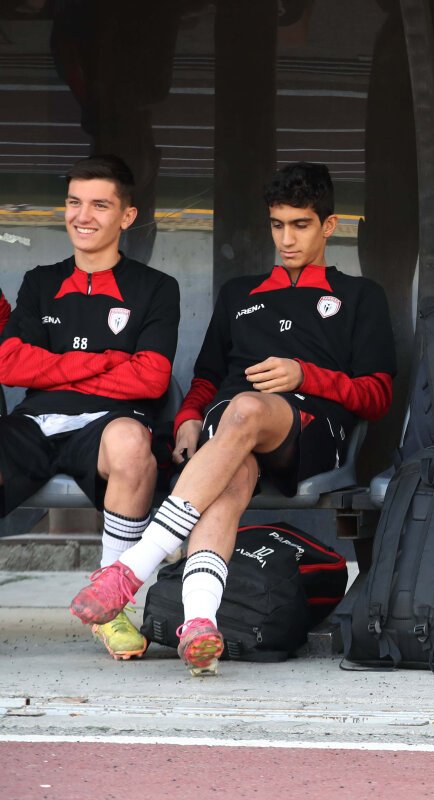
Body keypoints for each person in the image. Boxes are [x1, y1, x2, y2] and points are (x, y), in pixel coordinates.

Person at [70, 162, 397, 676]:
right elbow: (206, 376)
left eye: (300, 225)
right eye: (277, 225)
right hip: (230, 427)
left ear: (328, 226)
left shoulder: (360, 295)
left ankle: (133, 567)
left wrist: (305, 375)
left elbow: (377, 396)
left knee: (246, 408)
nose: (286, 239)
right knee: (230, 474)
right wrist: (188, 416)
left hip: (311, 431)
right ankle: (200, 623)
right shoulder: (239, 293)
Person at [0, 155, 179, 660]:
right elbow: (10, 362)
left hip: (108, 424)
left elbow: (151, 376)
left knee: (131, 443)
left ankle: (111, 605)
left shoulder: (156, 288)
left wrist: (52, 364)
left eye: (100, 205)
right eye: (74, 202)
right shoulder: (40, 281)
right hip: (36, 422)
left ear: (126, 216)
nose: (83, 216)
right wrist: (105, 361)